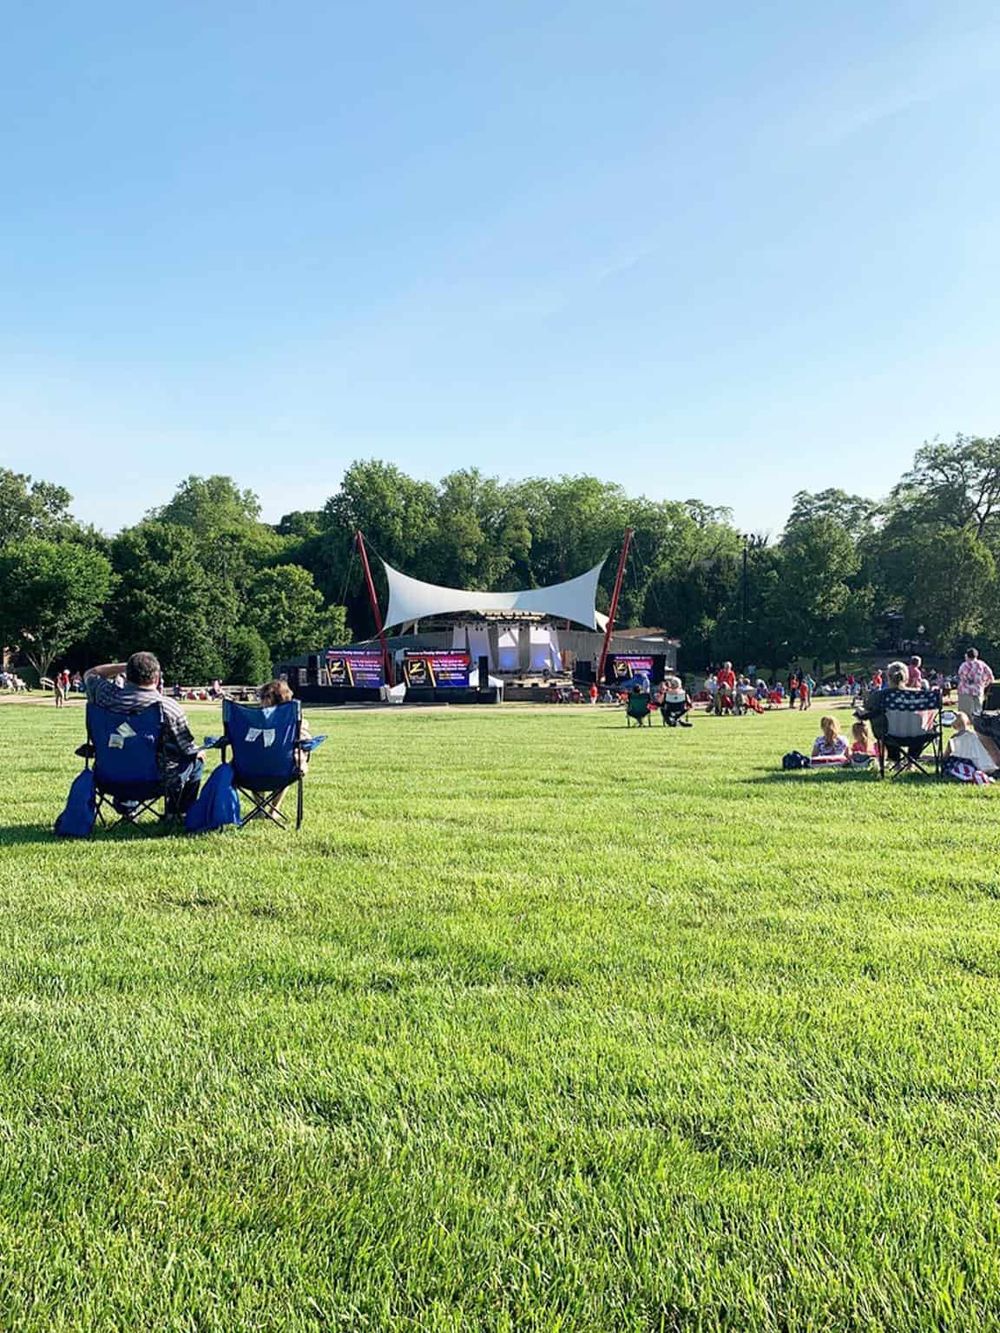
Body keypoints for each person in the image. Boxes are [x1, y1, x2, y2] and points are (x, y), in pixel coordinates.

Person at [84, 652, 204, 815]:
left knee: (126, 746)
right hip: (155, 782)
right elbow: (186, 749)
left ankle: (127, 806)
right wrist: (199, 751)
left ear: (127, 675)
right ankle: (176, 812)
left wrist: (124, 666)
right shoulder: (168, 707)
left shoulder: (106, 696)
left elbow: (91, 674)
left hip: (108, 777)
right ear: (157, 678)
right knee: (196, 761)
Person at [257, 678, 312, 809]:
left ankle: (260, 808)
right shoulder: (297, 721)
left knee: (254, 760)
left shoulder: (251, 719)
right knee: (295, 761)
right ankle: (274, 809)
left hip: (249, 770)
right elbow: (306, 741)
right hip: (284, 770)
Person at [957, 647, 994, 719]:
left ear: (967, 655)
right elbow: (991, 677)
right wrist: (984, 685)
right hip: (978, 691)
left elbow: (961, 676)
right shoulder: (983, 665)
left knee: (965, 714)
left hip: (965, 692)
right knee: (978, 713)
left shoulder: (964, 665)